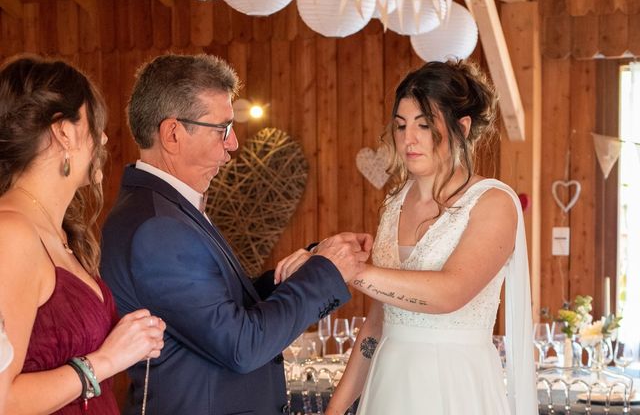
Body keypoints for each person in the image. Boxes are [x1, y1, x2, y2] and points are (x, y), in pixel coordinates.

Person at [100, 53, 371, 415]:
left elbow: (217, 312)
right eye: (222, 129)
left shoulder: (164, 210)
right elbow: (241, 346)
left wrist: (303, 269)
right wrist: (326, 273)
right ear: (173, 133)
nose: (233, 144)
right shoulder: (157, 228)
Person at [325, 60, 537, 415]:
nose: (409, 139)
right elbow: (377, 324)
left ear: (462, 128)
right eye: (401, 126)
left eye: (424, 125)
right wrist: (335, 409)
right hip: (388, 384)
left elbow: (448, 293)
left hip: (455, 384)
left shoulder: (493, 203)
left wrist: (348, 269)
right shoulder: (394, 204)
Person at [0, 55, 166, 414]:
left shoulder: (56, 232)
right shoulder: (10, 234)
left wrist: (129, 339)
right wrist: (106, 360)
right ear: (64, 131)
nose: (104, 139)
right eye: (95, 125)